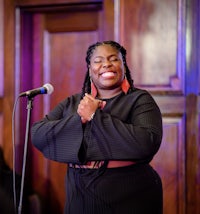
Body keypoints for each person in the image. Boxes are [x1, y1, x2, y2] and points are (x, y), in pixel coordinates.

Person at [31, 40, 163, 214]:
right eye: (98, 60)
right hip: (80, 192)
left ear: (123, 65)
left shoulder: (139, 100)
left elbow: (147, 143)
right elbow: (38, 135)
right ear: (89, 68)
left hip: (129, 192)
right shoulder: (75, 102)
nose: (106, 64)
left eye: (113, 59)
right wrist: (80, 120)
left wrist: (95, 116)